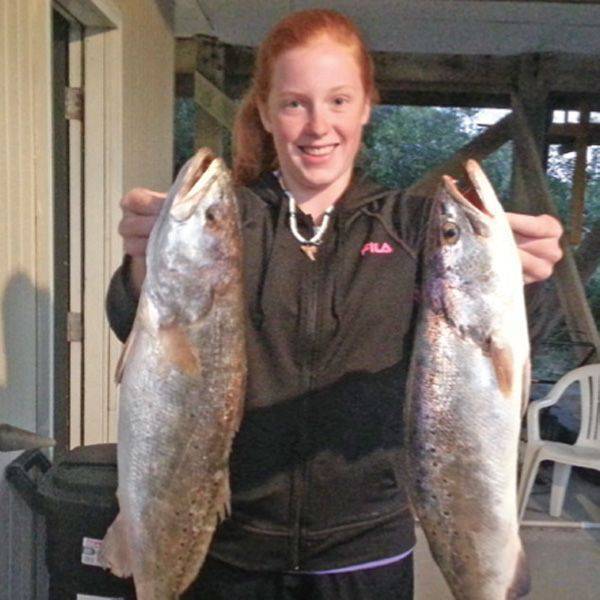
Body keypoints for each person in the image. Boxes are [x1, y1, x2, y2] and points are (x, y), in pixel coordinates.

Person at [106, 9, 563, 600]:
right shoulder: (224, 224)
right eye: (295, 103)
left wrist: (530, 280)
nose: (318, 124)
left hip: (365, 554)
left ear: (367, 106)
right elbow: (136, 330)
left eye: (339, 100)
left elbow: (514, 346)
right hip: (223, 547)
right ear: (266, 113)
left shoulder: (417, 226)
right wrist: (146, 262)